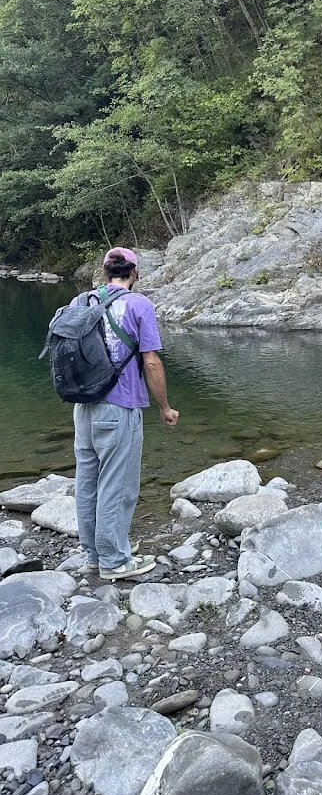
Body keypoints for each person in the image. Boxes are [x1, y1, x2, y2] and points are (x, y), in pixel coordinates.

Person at [73, 246, 179, 581]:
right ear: (134, 272)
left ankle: (93, 555)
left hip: (83, 407)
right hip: (119, 408)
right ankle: (115, 561)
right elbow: (150, 361)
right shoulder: (139, 304)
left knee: (88, 483)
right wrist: (164, 406)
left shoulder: (81, 302)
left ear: (105, 272)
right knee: (117, 486)